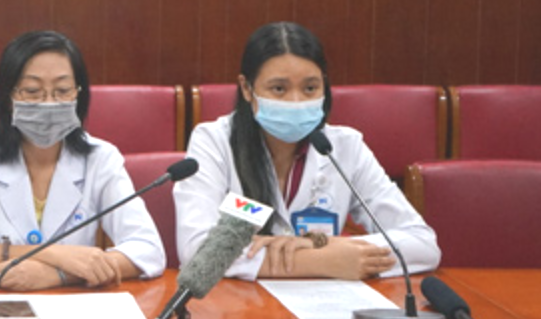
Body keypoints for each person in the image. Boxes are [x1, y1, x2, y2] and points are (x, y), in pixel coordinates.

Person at [175, 21, 440, 281]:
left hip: (327, 302)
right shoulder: (214, 142)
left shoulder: (345, 146)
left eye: (310, 88)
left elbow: (422, 243)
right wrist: (324, 260)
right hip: (241, 302)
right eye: (279, 89)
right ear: (246, 88)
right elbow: (198, 252)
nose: (296, 101)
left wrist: (324, 245)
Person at [0, 30, 166, 289]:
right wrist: (52, 253)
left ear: (78, 94)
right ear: (8, 97)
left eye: (62, 90)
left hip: (74, 302)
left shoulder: (101, 158)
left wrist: (58, 274)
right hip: (3, 299)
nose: (49, 103)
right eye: (33, 91)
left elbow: (148, 249)